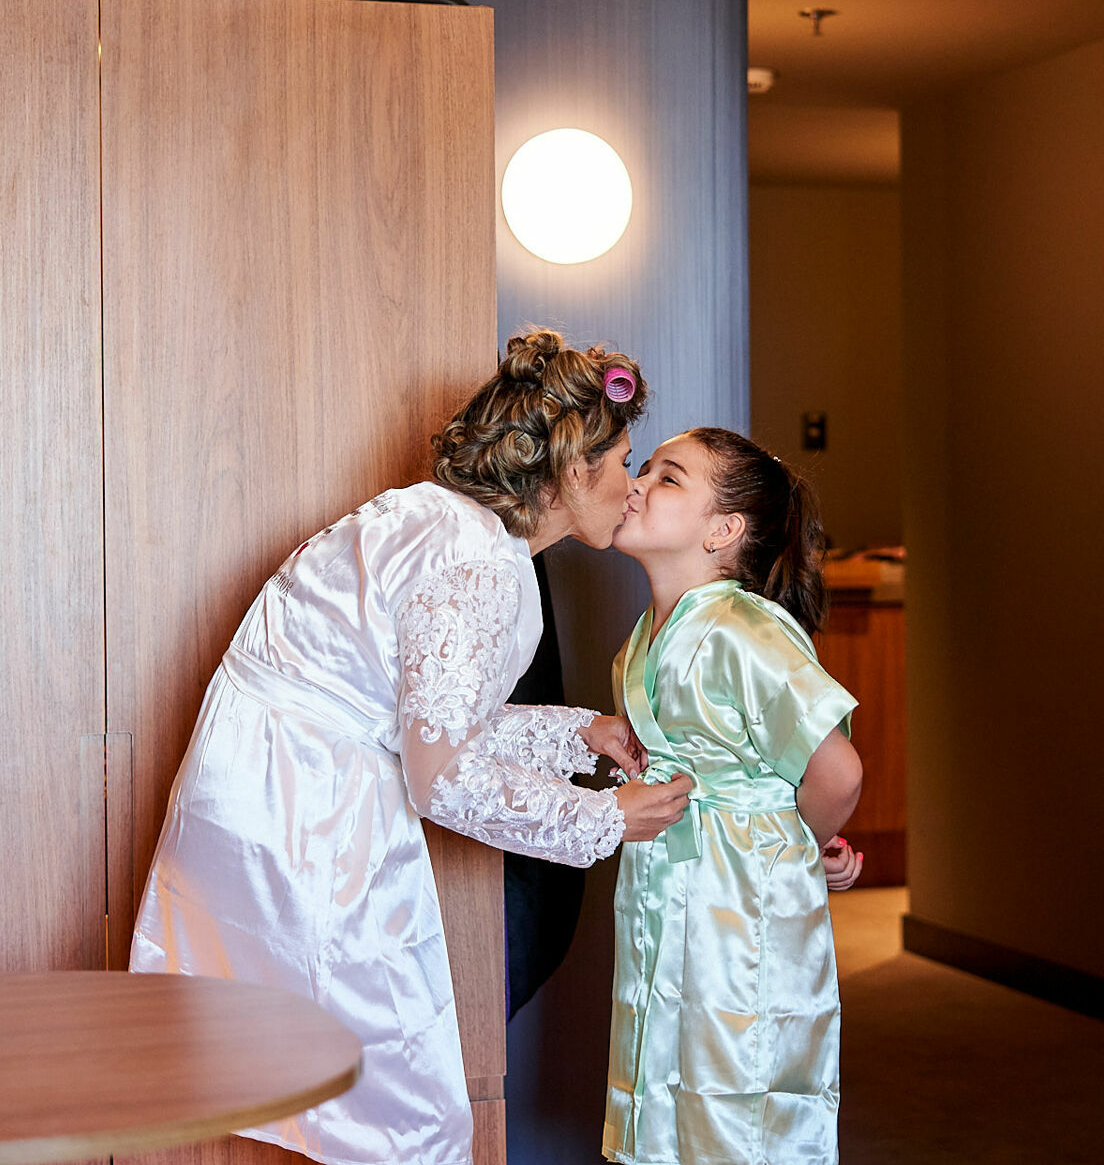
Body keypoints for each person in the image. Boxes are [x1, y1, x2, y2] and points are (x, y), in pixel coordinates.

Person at [130, 330, 695, 1165]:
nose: (631, 484)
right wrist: (604, 817)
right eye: (623, 458)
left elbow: (427, 718)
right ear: (572, 469)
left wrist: (577, 731)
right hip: (300, 804)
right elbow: (442, 775)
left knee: (337, 1090)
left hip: (283, 779)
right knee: (406, 1114)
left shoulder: (457, 532)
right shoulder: (474, 560)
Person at [601, 427, 864, 1165]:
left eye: (669, 478)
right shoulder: (643, 639)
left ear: (723, 531)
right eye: (643, 468)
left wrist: (800, 847)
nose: (639, 483)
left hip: (739, 900)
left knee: (739, 1091)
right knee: (665, 1082)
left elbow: (835, 771)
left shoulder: (741, 629)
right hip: (666, 887)